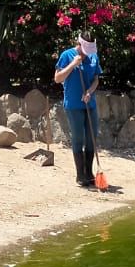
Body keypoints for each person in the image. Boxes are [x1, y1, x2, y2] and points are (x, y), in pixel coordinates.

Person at [54, 31, 102, 189]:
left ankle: (89, 173)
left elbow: (96, 79)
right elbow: (58, 78)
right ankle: (80, 175)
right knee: (78, 138)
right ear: (79, 43)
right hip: (74, 105)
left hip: (90, 104)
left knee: (91, 138)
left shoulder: (94, 57)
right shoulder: (67, 55)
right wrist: (73, 64)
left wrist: (90, 91)